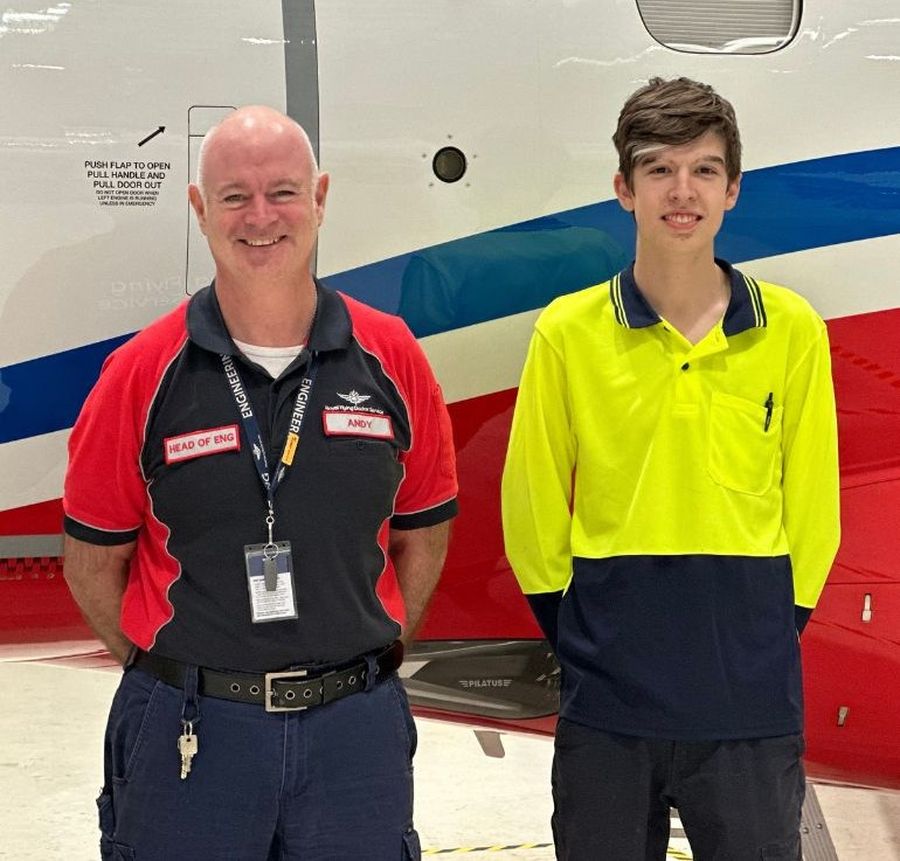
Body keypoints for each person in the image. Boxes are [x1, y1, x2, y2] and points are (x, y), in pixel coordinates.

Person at [62, 105, 458, 860]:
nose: (260, 217)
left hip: (354, 733)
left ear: (320, 198)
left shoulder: (391, 357)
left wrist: (373, 656)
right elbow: (93, 561)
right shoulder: (141, 374)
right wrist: (177, 672)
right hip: (194, 734)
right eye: (234, 196)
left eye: (282, 191)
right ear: (199, 210)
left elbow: (425, 525)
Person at [501, 77, 839, 860]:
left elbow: (814, 514)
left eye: (704, 170)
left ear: (733, 190)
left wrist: (759, 637)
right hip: (608, 710)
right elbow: (533, 509)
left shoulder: (792, 331)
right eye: (658, 169)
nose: (681, 191)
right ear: (623, 188)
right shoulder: (567, 333)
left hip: (749, 711)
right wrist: (587, 641)